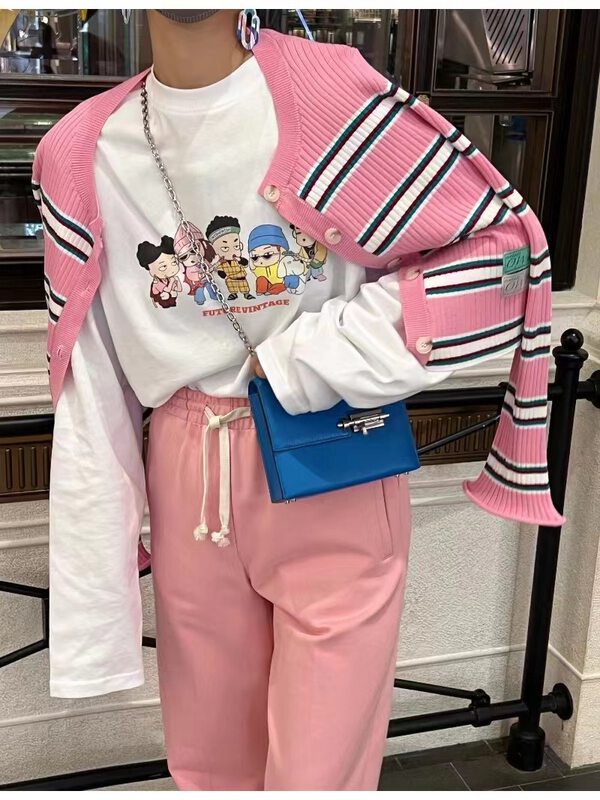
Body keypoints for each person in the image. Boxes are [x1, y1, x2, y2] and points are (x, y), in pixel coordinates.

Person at [32, 8, 563, 791]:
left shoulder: (333, 94)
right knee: (211, 763)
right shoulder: (79, 150)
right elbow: (91, 374)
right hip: (187, 471)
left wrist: (303, 361)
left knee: (321, 772)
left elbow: (505, 250)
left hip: (331, 443)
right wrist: (93, 585)